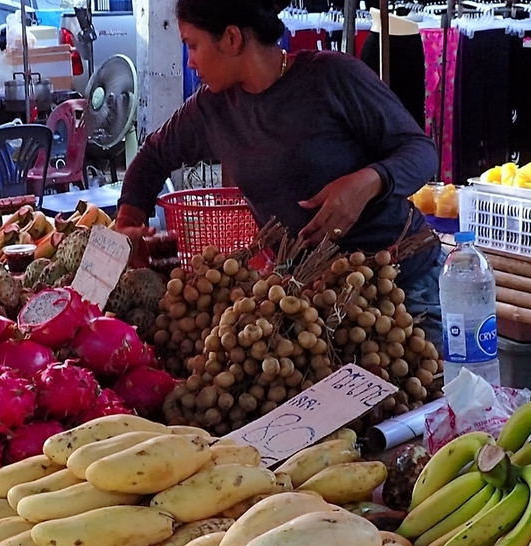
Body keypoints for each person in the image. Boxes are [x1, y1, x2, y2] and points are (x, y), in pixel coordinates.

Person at [114, 0, 441, 321]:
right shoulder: (210, 109)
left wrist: (368, 181)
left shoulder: (331, 77)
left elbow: (421, 151)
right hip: (317, 300)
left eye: (193, 46)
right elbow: (152, 157)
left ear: (231, 38)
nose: (191, 63)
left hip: (405, 285)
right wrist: (128, 224)